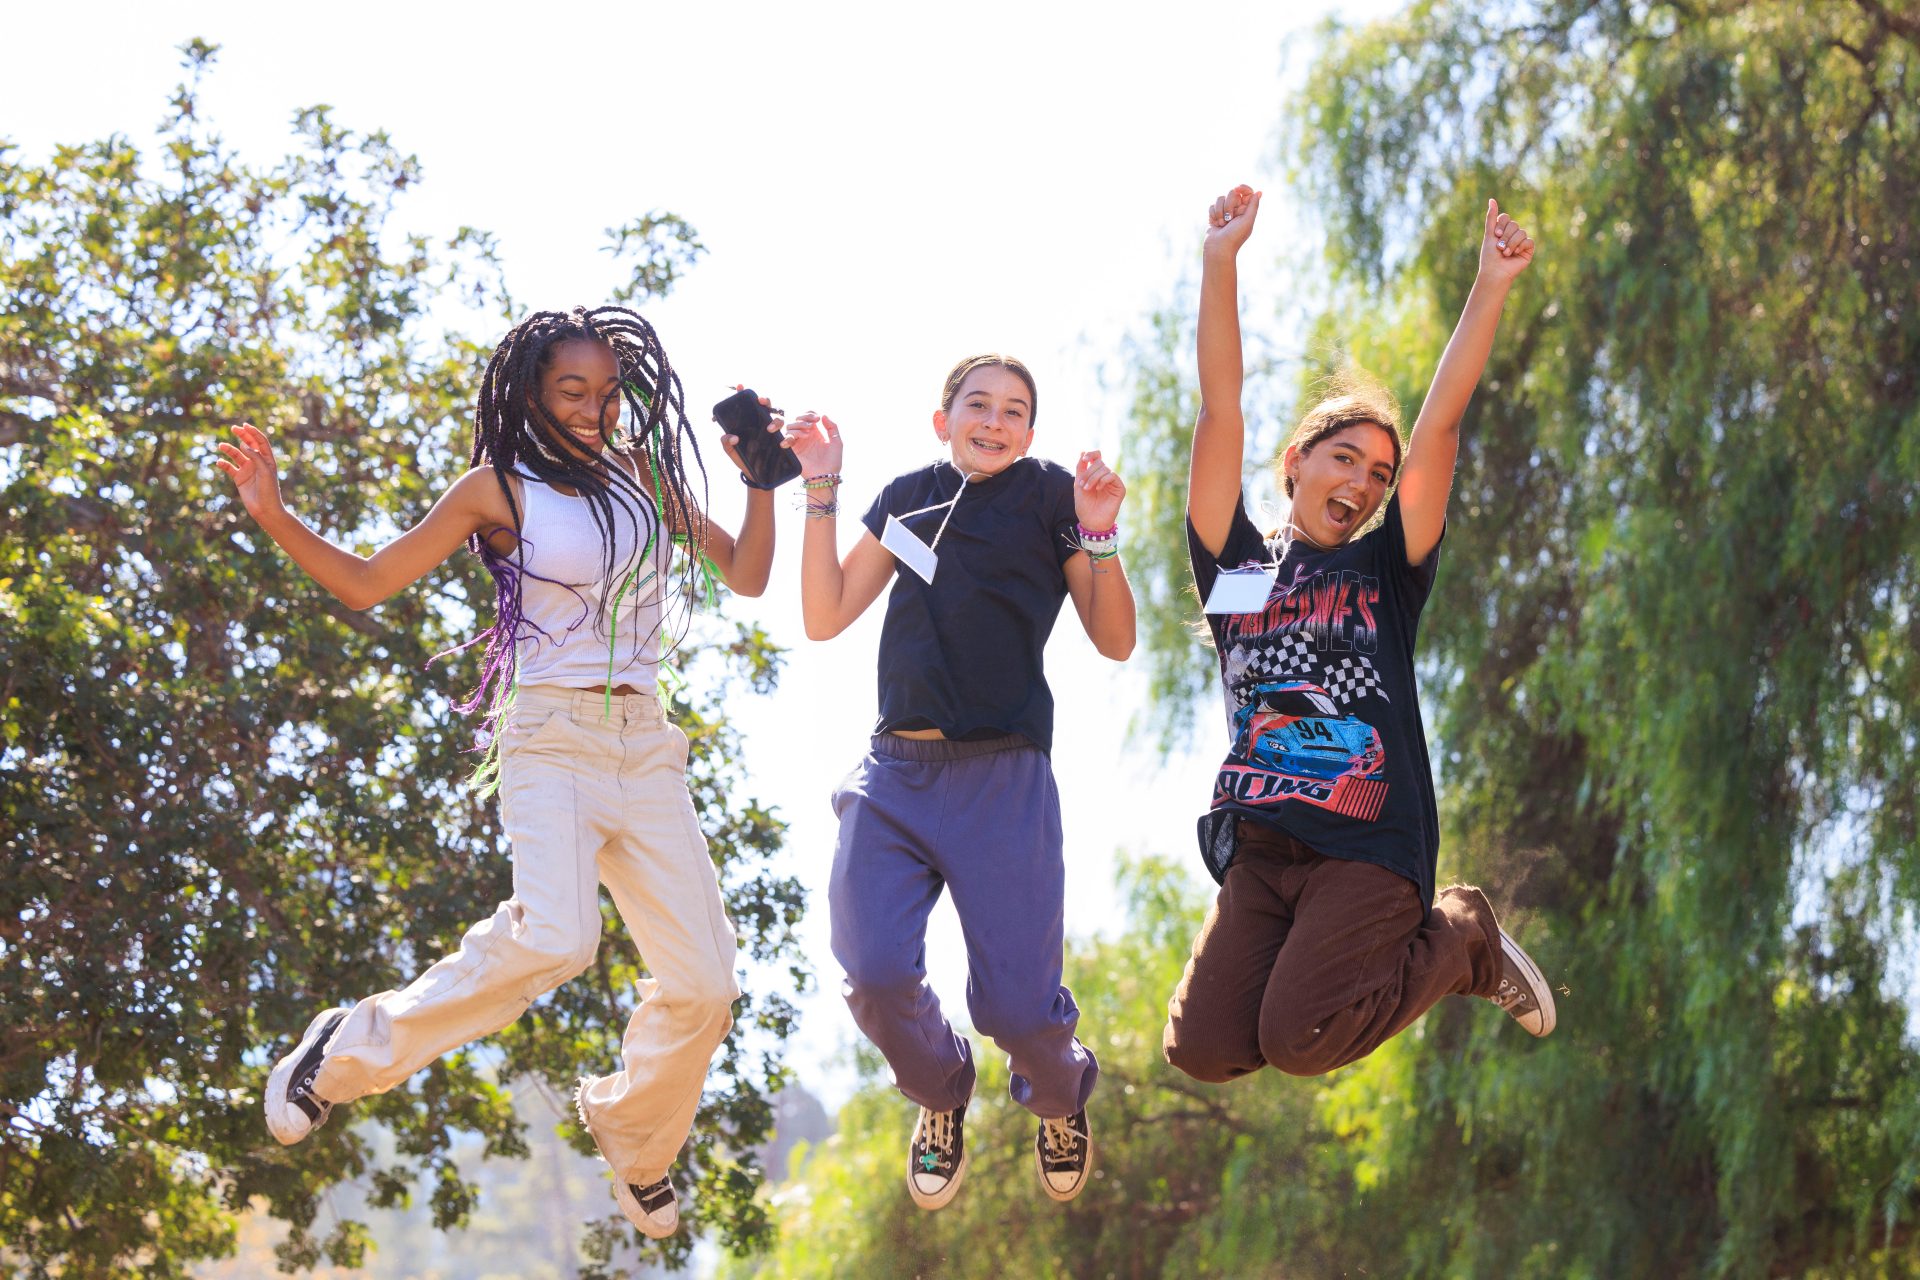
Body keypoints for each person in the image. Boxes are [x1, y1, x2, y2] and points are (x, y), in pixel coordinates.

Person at [218, 305, 780, 1239]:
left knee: (708, 985)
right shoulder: (499, 487)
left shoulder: (645, 476)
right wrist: (275, 515)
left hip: (646, 746)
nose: (596, 408)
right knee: (559, 940)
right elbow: (367, 583)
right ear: (530, 393)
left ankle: (636, 1141)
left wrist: (764, 484)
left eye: (608, 392)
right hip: (551, 738)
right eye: (573, 391)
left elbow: (750, 576)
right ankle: (342, 1053)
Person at [1163, 186, 1556, 1088]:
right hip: (1265, 847)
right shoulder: (1237, 573)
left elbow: (1440, 429)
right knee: (1208, 1049)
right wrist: (1220, 260)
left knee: (1300, 1039)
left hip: (1368, 843)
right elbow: (1221, 411)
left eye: (1378, 475)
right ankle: (1412, 948)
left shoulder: (1385, 569)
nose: (1366, 483)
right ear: (1296, 462)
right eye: (1346, 459)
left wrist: (1491, 283)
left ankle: (1462, 938)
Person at [780, 354, 1135, 1209]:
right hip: (894, 777)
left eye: (1015, 410)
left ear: (1031, 432)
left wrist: (1098, 531)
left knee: (1017, 1010)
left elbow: (1115, 639)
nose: (995, 420)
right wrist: (821, 489)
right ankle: (941, 1096)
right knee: (871, 971)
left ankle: (1059, 1099)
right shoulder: (908, 497)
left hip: (1002, 778)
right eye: (978, 404)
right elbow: (825, 616)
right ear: (942, 420)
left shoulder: (1052, 496)